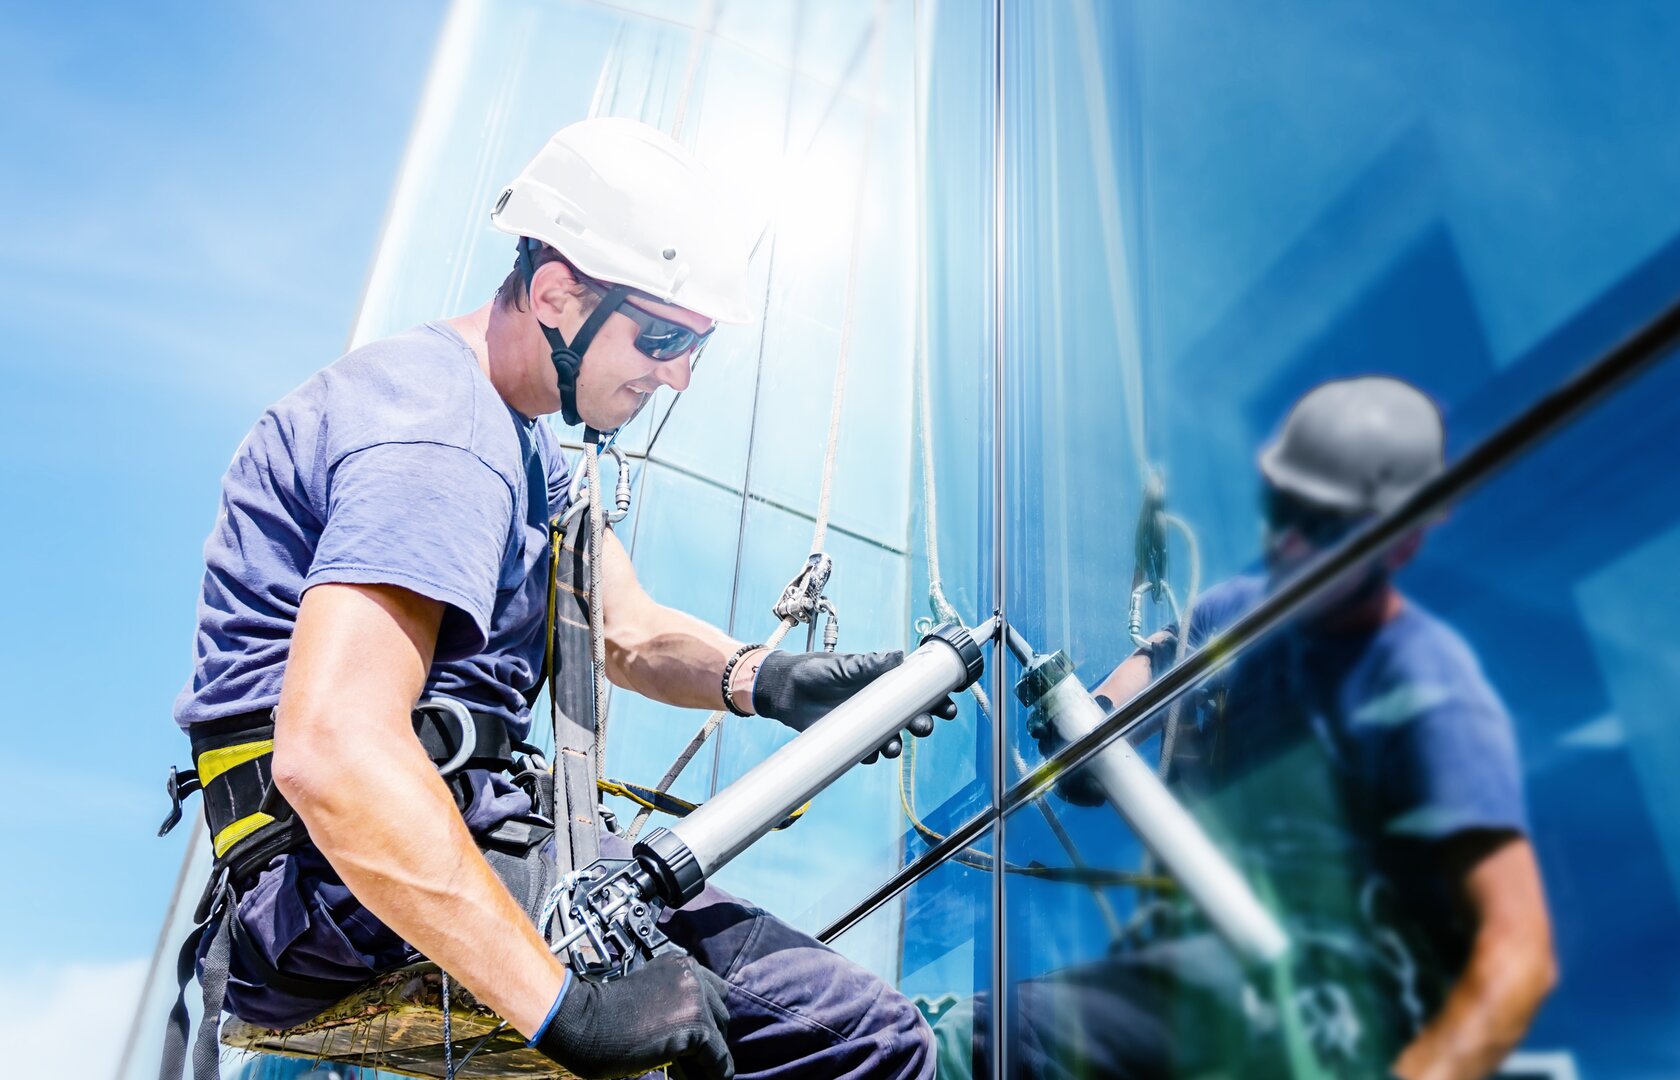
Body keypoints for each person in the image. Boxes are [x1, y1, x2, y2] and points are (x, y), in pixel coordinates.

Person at [167, 118, 943, 1080]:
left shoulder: (522, 444)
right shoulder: (442, 438)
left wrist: (770, 679)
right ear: (554, 293)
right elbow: (336, 753)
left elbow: (625, 629)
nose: (677, 374)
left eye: (695, 346)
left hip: (393, 865)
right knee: (861, 1040)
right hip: (338, 888)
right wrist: (562, 1007)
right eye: (660, 337)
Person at [952, 377, 1556, 1080]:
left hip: (1335, 1005)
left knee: (995, 1044)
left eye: (1325, 523)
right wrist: (1087, 729)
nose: (1294, 542)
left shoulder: (1425, 685)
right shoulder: (1237, 613)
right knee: (1001, 1042)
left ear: (1402, 540)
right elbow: (1120, 709)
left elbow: (1519, 950)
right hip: (1210, 964)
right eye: (1287, 512)